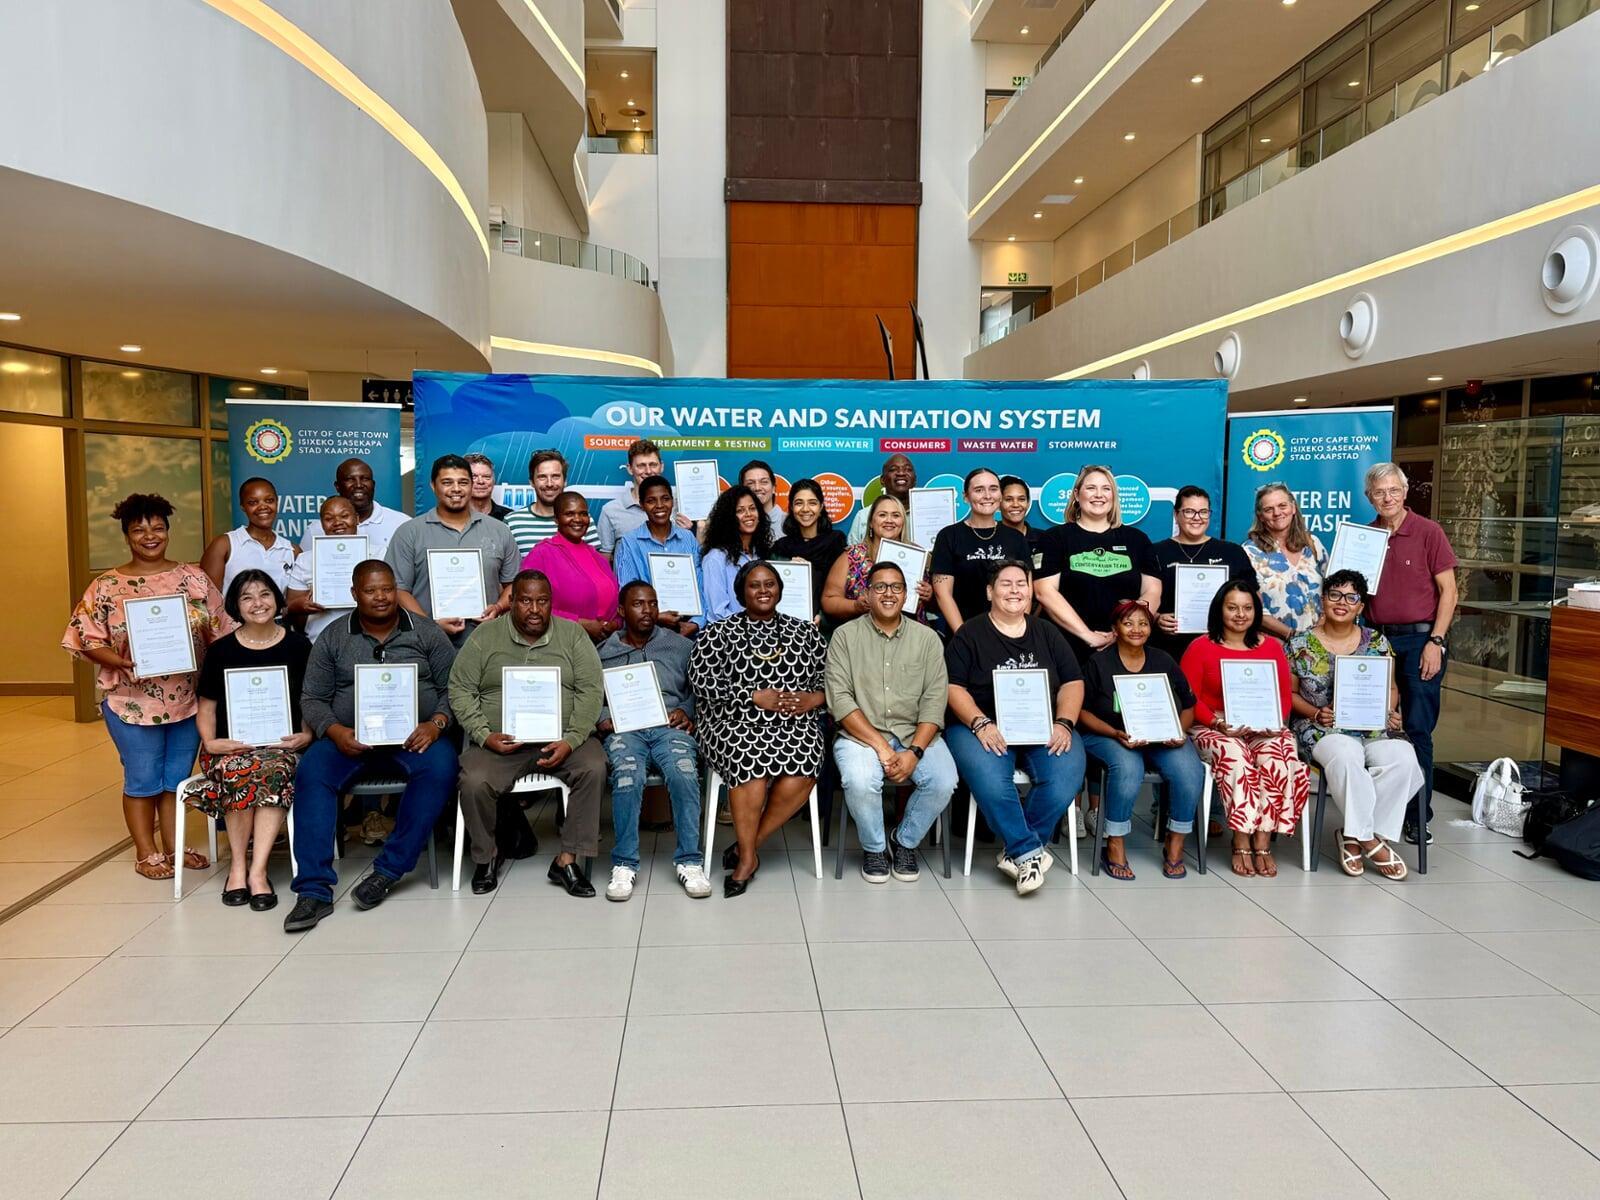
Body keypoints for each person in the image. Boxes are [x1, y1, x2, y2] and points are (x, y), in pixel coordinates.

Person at [63, 493, 233, 880]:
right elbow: (85, 638)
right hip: (131, 701)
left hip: (188, 700)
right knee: (142, 780)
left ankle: (173, 846)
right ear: (127, 535)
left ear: (168, 531)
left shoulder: (194, 578)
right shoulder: (105, 586)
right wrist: (119, 661)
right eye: (139, 530)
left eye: (157, 528)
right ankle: (146, 852)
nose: (150, 536)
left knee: (176, 779)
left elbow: (221, 630)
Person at [283, 561, 459, 932]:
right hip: (349, 740)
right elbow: (312, 698)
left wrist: (436, 723)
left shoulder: (426, 632)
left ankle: (387, 872)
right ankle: (313, 891)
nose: (381, 597)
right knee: (312, 773)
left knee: (442, 767)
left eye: (387, 589)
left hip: (414, 741)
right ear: (354, 594)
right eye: (370, 590)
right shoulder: (333, 636)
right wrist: (334, 731)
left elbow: (454, 688)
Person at [450, 570, 608, 896]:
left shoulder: (573, 635)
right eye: (525, 601)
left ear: (551, 603)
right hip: (501, 744)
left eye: (542, 601)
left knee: (593, 766)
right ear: (511, 603)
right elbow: (460, 689)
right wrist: (484, 734)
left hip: (563, 740)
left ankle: (566, 860)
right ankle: (487, 856)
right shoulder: (485, 637)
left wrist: (572, 740)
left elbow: (591, 690)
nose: (534, 609)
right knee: (474, 779)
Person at [944, 559, 1087, 895]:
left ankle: (1019, 851)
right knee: (993, 782)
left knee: (1065, 774)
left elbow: (1072, 681)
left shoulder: (1047, 632)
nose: (1014, 590)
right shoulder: (970, 634)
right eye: (1005, 584)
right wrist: (980, 723)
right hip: (981, 727)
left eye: (1021, 584)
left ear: (1030, 591)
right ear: (989, 592)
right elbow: (952, 687)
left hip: (1043, 726)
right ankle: (1028, 851)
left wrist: (1064, 722)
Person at [688, 561, 827, 896]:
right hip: (730, 722)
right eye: (754, 585)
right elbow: (701, 681)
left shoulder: (805, 632)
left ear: (780, 589)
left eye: (770, 584)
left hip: (794, 723)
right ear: (741, 593)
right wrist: (752, 696)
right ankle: (747, 859)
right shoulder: (718, 633)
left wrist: (815, 698)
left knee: (807, 759)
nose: (763, 591)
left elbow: (832, 678)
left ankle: (747, 847)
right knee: (748, 760)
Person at [826, 561, 955, 883]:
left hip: (915, 734)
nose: (888, 593)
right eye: (880, 587)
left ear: (906, 594)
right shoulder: (844, 636)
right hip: (861, 736)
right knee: (859, 780)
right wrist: (882, 748)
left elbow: (934, 703)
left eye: (896, 587)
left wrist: (914, 752)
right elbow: (840, 701)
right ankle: (874, 848)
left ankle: (903, 841)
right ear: (867, 594)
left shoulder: (927, 639)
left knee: (943, 780)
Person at [191, 570, 313, 910]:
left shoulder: (299, 646)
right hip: (229, 747)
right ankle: (238, 867)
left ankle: (257, 871)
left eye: (264, 594)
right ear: (236, 605)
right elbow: (207, 708)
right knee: (239, 769)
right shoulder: (221, 651)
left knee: (271, 770)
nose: (257, 603)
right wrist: (210, 743)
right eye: (247, 597)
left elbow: (310, 699)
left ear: (277, 599)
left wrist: (307, 734)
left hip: (282, 746)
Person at [1288, 569, 1421, 880]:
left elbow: (1391, 687)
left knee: (1405, 759)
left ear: (1361, 606)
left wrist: (1388, 710)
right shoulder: (1299, 642)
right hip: (1322, 727)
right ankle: (1370, 841)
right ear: (1323, 600)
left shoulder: (1377, 641)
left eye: (1351, 597)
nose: (1342, 602)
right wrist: (1315, 713)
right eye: (1335, 595)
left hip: (1372, 728)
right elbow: (1289, 694)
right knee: (1347, 755)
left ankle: (1354, 835)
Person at [1181, 580, 1308, 878]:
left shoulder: (1272, 647)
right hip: (1213, 724)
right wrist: (1217, 723)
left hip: (1263, 723)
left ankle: (1262, 840)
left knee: (1280, 753)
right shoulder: (1201, 647)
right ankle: (1240, 839)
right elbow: (1189, 697)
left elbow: (1283, 697)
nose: (1240, 614)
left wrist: (1273, 722)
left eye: (1247, 608)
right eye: (1232, 608)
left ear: (1256, 611)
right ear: (1219, 610)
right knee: (1235, 756)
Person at [597, 581, 712, 900]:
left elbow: (699, 690)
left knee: (684, 772)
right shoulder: (604, 652)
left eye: (652, 603)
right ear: (622, 610)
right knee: (627, 776)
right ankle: (624, 863)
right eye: (638, 604)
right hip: (624, 729)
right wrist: (603, 717)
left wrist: (687, 710)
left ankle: (690, 860)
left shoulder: (680, 646)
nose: (647, 610)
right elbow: (589, 695)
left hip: (669, 726)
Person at [1363, 462, 1458, 845]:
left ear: (1405, 493)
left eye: (1393, 490)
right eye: (1379, 492)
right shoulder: (1364, 536)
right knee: (1375, 727)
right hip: (1375, 642)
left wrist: (1436, 641)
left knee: (1417, 729)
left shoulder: (1429, 532)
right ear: (1369, 497)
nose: (1387, 498)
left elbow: (1449, 592)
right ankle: (1376, 813)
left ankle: (1417, 817)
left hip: (1421, 641)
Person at [1076, 600, 1205, 880]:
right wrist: (1114, 733)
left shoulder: (1163, 660)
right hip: (1107, 734)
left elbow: (1188, 705)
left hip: (1160, 737)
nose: (1137, 629)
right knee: (1128, 766)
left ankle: (1175, 841)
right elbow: (1081, 712)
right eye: (1128, 623)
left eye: (1143, 623)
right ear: (1115, 629)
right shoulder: (1099, 662)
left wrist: (1179, 732)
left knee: (1189, 770)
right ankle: (1115, 842)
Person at [385, 454, 520, 644]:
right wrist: (430, 626)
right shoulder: (409, 532)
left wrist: (498, 607)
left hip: (486, 641)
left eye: (463, 482)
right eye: (447, 482)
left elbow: (514, 584)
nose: (456, 489)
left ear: (471, 485)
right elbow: (398, 589)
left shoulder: (499, 530)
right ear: (433, 485)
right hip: (425, 643)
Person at [1035, 464, 1162, 662]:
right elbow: (1044, 592)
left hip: (1126, 649)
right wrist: (1088, 635)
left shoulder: (1137, 539)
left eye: (1106, 488)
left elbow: (1153, 591)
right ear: (1076, 495)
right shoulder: (1055, 538)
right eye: (1091, 488)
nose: (1099, 495)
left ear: (1114, 496)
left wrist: (1126, 631)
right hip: (1067, 649)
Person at [1152, 484, 1253, 662]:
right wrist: (1157, 617)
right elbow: (1142, 599)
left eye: (1203, 512)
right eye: (1189, 511)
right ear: (1176, 514)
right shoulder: (1156, 552)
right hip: (1169, 650)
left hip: (1222, 647)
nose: (1197, 518)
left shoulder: (1232, 552)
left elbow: (1253, 599)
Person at [930, 468, 1031, 633]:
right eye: (979, 490)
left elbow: (1026, 591)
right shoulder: (949, 536)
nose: (987, 495)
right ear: (966, 497)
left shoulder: (1016, 538)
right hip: (963, 634)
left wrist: (1016, 632)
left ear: (1000, 494)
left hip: (1010, 634)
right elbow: (943, 594)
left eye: (993, 489)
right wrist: (964, 636)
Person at [521, 492, 622, 641]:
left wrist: (614, 624)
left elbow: (616, 604)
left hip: (606, 643)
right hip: (562, 642)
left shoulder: (597, 556)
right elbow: (526, 605)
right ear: (556, 519)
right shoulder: (542, 553)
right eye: (569, 514)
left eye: (583, 514)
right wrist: (579, 624)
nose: (578, 519)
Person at [610, 474, 702, 637]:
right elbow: (627, 592)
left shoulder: (688, 538)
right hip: (647, 633)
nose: (659, 506)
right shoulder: (629, 543)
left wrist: (696, 623)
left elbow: (702, 585)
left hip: (690, 630)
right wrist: (655, 616)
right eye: (651, 501)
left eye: (665, 499)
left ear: (673, 502)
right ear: (642, 505)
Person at [822, 494, 932, 623]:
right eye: (882, 515)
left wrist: (929, 596)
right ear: (871, 523)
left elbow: (937, 603)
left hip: (911, 631)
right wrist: (855, 606)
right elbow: (829, 600)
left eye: (896, 515)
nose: (889, 520)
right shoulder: (852, 556)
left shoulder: (917, 555)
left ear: (903, 522)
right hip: (862, 631)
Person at [1244, 482, 1328, 640]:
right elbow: (1249, 605)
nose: (1277, 513)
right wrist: (1292, 635)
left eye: (1282, 506)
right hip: (1273, 643)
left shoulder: (1313, 543)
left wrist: (1322, 626)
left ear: (1293, 508)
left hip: (1318, 642)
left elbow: (1331, 589)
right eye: (1269, 509)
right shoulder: (1249, 552)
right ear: (1260, 516)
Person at [200, 476, 298, 594]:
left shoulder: (292, 551)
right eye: (253, 502)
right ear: (243, 506)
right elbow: (208, 598)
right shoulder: (224, 545)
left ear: (277, 502)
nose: (263, 507)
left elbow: (296, 599)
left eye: (269, 500)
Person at [296, 457, 410, 557]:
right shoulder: (316, 529)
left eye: (365, 479)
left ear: (373, 485)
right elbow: (306, 566)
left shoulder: (402, 523)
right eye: (350, 479)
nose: (359, 485)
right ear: (337, 486)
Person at [283, 495, 361, 642]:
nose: (337, 523)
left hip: (365, 640)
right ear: (322, 524)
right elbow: (291, 610)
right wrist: (300, 606)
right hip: (319, 640)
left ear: (357, 518)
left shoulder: (379, 554)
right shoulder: (305, 560)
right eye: (329, 518)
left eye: (344, 516)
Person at [770, 477, 847, 620]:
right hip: (787, 621)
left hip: (827, 622)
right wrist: (789, 567)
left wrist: (821, 618)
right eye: (799, 503)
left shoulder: (835, 542)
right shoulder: (781, 547)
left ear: (821, 507)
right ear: (791, 508)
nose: (805, 509)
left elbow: (842, 589)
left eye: (812, 503)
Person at [504, 449, 600, 555]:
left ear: (565, 481)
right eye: (542, 477)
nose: (549, 484)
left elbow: (595, 563)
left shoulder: (582, 521)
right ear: (532, 482)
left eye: (555, 476)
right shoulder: (512, 522)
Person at [700, 484, 772, 625]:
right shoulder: (716, 558)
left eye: (752, 508)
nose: (749, 514)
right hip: (732, 634)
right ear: (729, 518)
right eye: (740, 510)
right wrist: (751, 628)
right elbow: (717, 612)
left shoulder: (761, 553)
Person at [598, 438, 678, 555]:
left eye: (653, 465)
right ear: (630, 469)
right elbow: (605, 558)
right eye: (641, 466)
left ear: (661, 466)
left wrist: (686, 530)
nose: (648, 471)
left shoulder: (679, 504)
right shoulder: (610, 511)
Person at [847, 454, 917, 545]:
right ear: (882, 480)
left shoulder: (927, 516)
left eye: (907, 469)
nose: (901, 473)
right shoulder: (864, 516)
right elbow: (852, 552)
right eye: (893, 469)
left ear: (915, 480)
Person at [999, 475, 1047, 572]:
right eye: (1008, 499)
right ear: (998, 503)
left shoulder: (1045, 539)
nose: (1015, 504)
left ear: (1028, 503)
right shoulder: (990, 539)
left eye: (1021, 499)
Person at [464, 451, 513, 521]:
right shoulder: (452, 517)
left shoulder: (510, 517)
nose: (480, 481)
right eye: (474, 476)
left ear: (494, 481)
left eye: (486, 477)